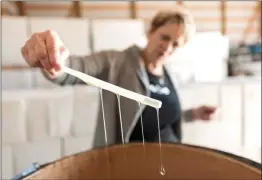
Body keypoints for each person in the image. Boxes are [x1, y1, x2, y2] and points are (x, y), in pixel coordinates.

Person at [21, 6, 217, 148]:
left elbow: (160, 118)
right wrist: (54, 63)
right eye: (165, 37)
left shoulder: (169, 75)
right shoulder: (116, 62)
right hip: (126, 167)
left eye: (175, 44)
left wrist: (194, 114)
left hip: (169, 163)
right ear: (150, 31)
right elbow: (76, 69)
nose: (167, 47)